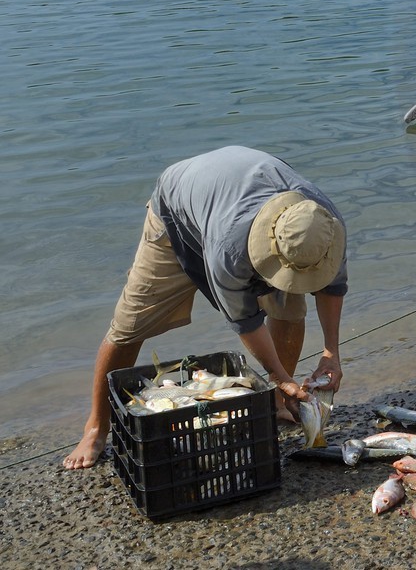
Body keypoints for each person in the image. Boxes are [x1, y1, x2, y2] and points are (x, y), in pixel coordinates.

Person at [63, 146, 348, 470]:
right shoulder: (228, 250)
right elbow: (245, 320)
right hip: (177, 210)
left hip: (239, 193)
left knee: (289, 306)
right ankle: (96, 427)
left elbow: (332, 286)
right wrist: (278, 374)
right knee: (130, 323)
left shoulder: (325, 225)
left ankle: (276, 402)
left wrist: (331, 354)